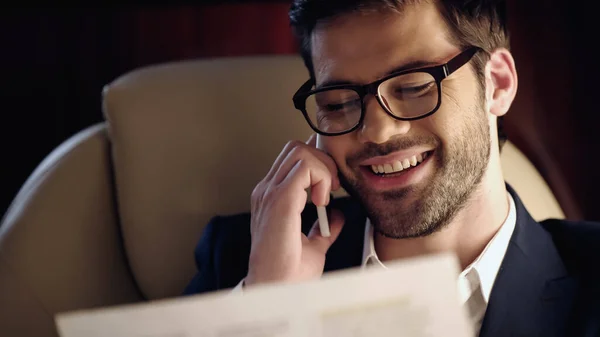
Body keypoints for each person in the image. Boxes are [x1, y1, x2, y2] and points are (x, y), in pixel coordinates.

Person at [183, 0, 600, 336]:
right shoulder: (245, 263)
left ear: (498, 83)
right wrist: (268, 312)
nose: (378, 132)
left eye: (414, 87)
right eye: (339, 103)